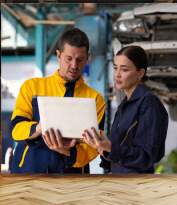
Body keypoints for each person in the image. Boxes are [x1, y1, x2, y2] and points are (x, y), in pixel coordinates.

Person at [10, 28, 106, 174]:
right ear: (58, 55)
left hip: (70, 174)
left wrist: (66, 150)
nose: (74, 65)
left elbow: (93, 148)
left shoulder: (95, 99)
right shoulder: (32, 87)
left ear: (88, 58)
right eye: (69, 58)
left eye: (80, 60)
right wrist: (38, 128)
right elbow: (16, 129)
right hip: (30, 168)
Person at [82, 46, 168, 174]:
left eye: (124, 69)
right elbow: (117, 151)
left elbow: (147, 156)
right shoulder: (125, 104)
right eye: (116, 68)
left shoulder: (149, 104)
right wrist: (101, 147)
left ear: (140, 73)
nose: (117, 74)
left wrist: (110, 147)